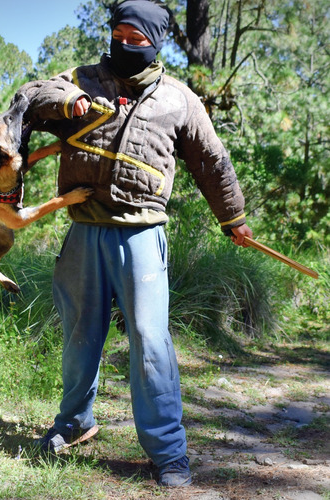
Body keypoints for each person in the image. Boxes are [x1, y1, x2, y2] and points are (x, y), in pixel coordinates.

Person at [15, 0, 252, 487]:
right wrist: (65, 102)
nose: (125, 42)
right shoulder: (79, 79)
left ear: (156, 42)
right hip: (84, 230)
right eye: (118, 32)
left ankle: (168, 451)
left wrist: (234, 217)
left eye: (136, 36)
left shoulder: (179, 99)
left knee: (150, 340)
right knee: (80, 335)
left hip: (142, 233)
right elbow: (31, 99)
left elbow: (212, 161)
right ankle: (74, 423)